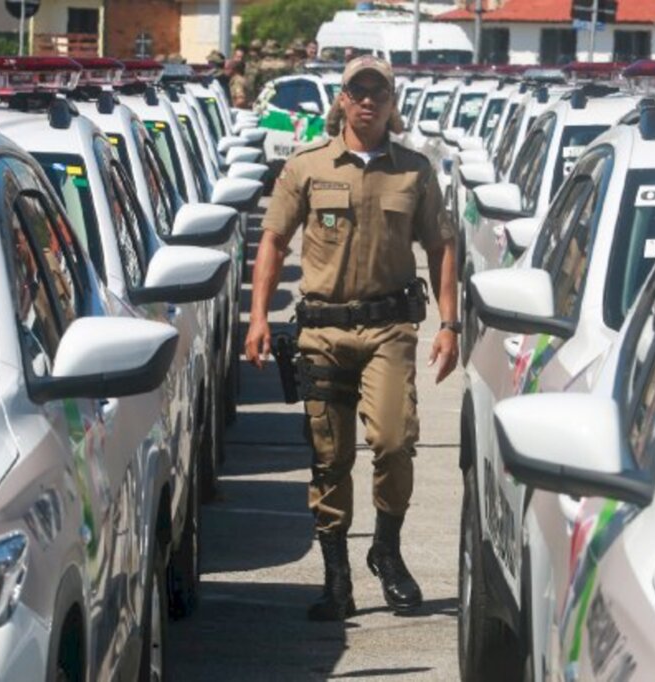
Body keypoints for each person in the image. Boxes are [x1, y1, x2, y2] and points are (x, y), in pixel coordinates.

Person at [245, 56, 459, 621]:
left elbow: (441, 246)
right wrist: (258, 317)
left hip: (389, 329)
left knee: (393, 441)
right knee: (329, 458)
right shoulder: (307, 166)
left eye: (378, 93)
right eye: (357, 91)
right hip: (322, 330)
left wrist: (450, 324)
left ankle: (386, 550)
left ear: (392, 103)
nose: (367, 101)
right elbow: (272, 240)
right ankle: (335, 576)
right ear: (341, 99)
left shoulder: (414, 170)